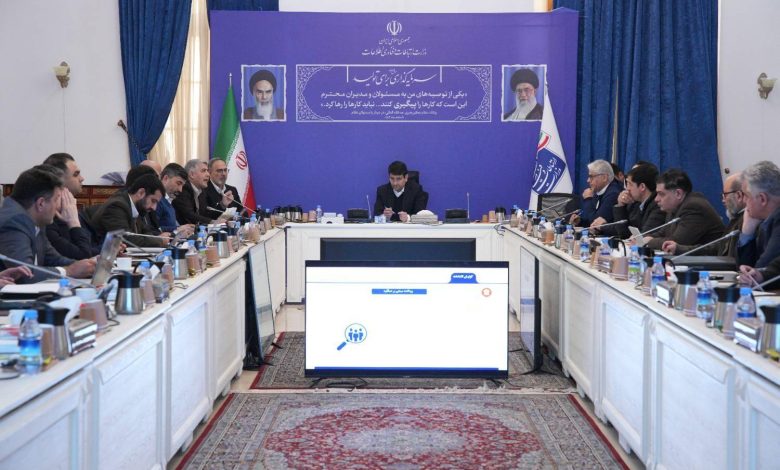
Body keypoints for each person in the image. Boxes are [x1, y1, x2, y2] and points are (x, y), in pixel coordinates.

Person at [0, 166, 95, 283]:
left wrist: (88, 265)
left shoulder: (34, 218)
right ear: (41, 203)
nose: (58, 206)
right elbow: (24, 274)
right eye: (56, 199)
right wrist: (69, 271)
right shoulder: (13, 222)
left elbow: (52, 258)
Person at [663, 172, 746, 257]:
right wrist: (679, 249)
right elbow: (717, 247)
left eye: (725, 195)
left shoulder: (746, 222)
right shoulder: (736, 219)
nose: (723, 200)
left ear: (739, 195)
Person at [644, 169, 725, 251]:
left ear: (678, 194)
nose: (656, 199)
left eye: (661, 194)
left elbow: (675, 243)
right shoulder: (674, 207)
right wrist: (646, 238)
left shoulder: (694, 207)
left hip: (710, 257)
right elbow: (662, 233)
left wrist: (649, 242)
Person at [42, 153, 100, 259]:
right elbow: (83, 254)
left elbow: (92, 244)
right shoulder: (47, 220)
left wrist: (110, 249)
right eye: (76, 174)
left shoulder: (74, 209)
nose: (82, 178)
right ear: (59, 181)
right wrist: (73, 223)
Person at [90, 173, 169, 248]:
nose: (154, 208)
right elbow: (126, 240)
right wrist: (160, 240)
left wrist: (158, 239)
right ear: (141, 193)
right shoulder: (117, 206)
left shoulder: (136, 207)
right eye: (153, 201)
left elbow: (145, 234)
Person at [592, 162, 665, 238]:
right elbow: (624, 232)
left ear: (642, 187)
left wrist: (603, 226)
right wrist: (620, 205)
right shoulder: (635, 202)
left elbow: (642, 236)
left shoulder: (658, 205)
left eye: (630, 184)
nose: (627, 189)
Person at [736, 161, 780, 268]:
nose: (743, 201)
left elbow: (762, 269)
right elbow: (744, 269)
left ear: (762, 199)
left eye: (746, 195)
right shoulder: (761, 220)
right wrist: (747, 233)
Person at [570, 159, 622, 228]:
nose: (588, 180)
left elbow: (596, 223)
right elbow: (593, 220)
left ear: (604, 177)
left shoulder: (613, 194)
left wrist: (588, 199)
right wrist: (580, 222)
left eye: (591, 177)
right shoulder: (599, 192)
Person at [156, 163, 195, 237]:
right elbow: (155, 229)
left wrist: (183, 228)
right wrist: (177, 229)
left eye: (182, 185)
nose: (180, 190)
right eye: (178, 183)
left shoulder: (168, 200)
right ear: (165, 178)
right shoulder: (156, 201)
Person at [172, 159, 214, 226]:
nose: (208, 174)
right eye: (203, 171)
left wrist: (222, 205)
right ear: (192, 174)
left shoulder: (202, 191)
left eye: (207, 171)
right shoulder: (183, 188)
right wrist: (212, 222)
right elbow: (189, 215)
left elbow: (205, 215)